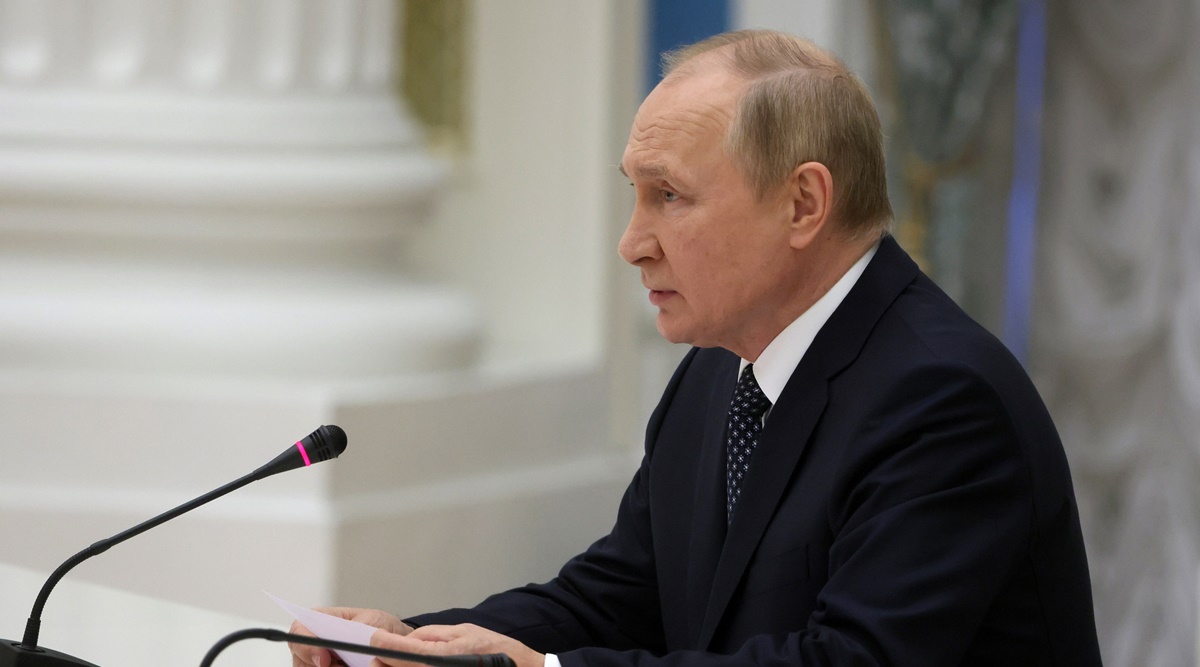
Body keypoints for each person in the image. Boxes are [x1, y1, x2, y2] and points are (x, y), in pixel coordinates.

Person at [290, 30, 1102, 667]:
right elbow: (621, 592)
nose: (632, 243)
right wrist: (416, 642)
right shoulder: (718, 371)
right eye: (635, 195)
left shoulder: (944, 400)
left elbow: (850, 660)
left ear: (803, 204)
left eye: (669, 196)